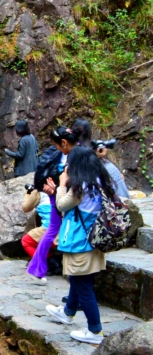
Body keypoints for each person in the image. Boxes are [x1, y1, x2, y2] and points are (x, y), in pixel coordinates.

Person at [45, 146, 114, 344]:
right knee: (78, 279)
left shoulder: (80, 187)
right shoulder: (100, 182)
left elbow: (61, 206)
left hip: (79, 242)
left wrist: (61, 184)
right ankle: (67, 313)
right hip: (93, 240)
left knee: (83, 286)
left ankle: (95, 331)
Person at [25, 126, 79, 281]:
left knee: (55, 232)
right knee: (54, 231)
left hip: (64, 197)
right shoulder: (69, 154)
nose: (56, 149)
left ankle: (40, 268)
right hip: (57, 195)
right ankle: (40, 268)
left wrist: (57, 189)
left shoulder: (74, 156)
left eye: (57, 145)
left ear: (63, 142)